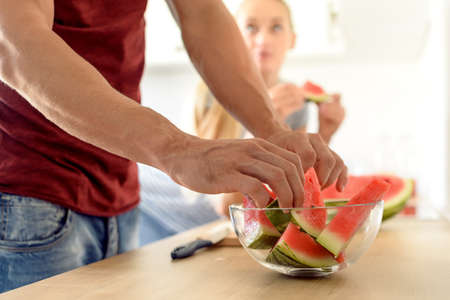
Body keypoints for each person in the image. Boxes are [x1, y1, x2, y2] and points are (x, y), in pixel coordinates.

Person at [0, 0, 346, 292]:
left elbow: (202, 13)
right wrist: (177, 149)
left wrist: (272, 129)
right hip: (27, 199)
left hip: (119, 190)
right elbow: (14, 43)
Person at [194, 0, 346, 215]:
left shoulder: (296, 104)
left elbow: (295, 195)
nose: (263, 39)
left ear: (292, 40)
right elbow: (226, 206)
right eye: (251, 27)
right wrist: (265, 124)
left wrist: (325, 134)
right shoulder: (211, 95)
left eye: (276, 27)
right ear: (234, 38)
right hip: (189, 225)